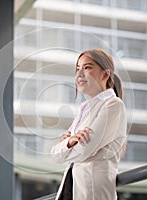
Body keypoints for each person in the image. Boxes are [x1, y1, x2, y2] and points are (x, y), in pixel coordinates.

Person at [51, 48, 127, 200]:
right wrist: (71, 141)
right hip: (71, 188)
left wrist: (67, 146)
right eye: (77, 69)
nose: (79, 74)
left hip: (93, 191)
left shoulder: (113, 105)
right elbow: (55, 155)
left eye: (87, 68)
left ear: (105, 74)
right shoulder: (83, 111)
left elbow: (85, 149)